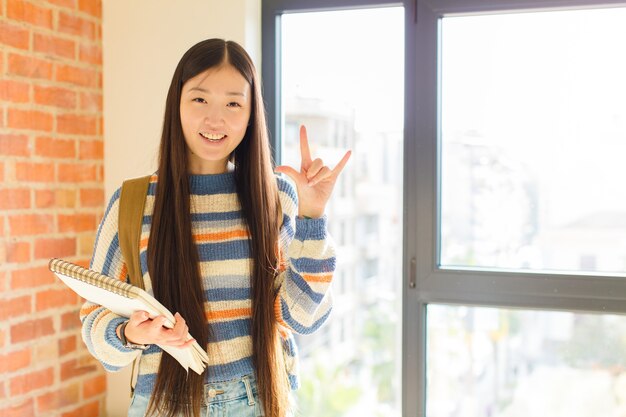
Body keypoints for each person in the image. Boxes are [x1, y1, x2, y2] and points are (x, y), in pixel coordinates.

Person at [79, 38, 350, 417]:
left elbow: (304, 317)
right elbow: (94, 322)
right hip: (164, 402)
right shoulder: (134, 203)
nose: (215, 119)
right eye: (200, 99)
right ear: (177, 103)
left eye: (233, 103)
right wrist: (129, 333)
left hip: (259, 400)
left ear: (251, 113)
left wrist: (312, 218)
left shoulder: (279, 198)